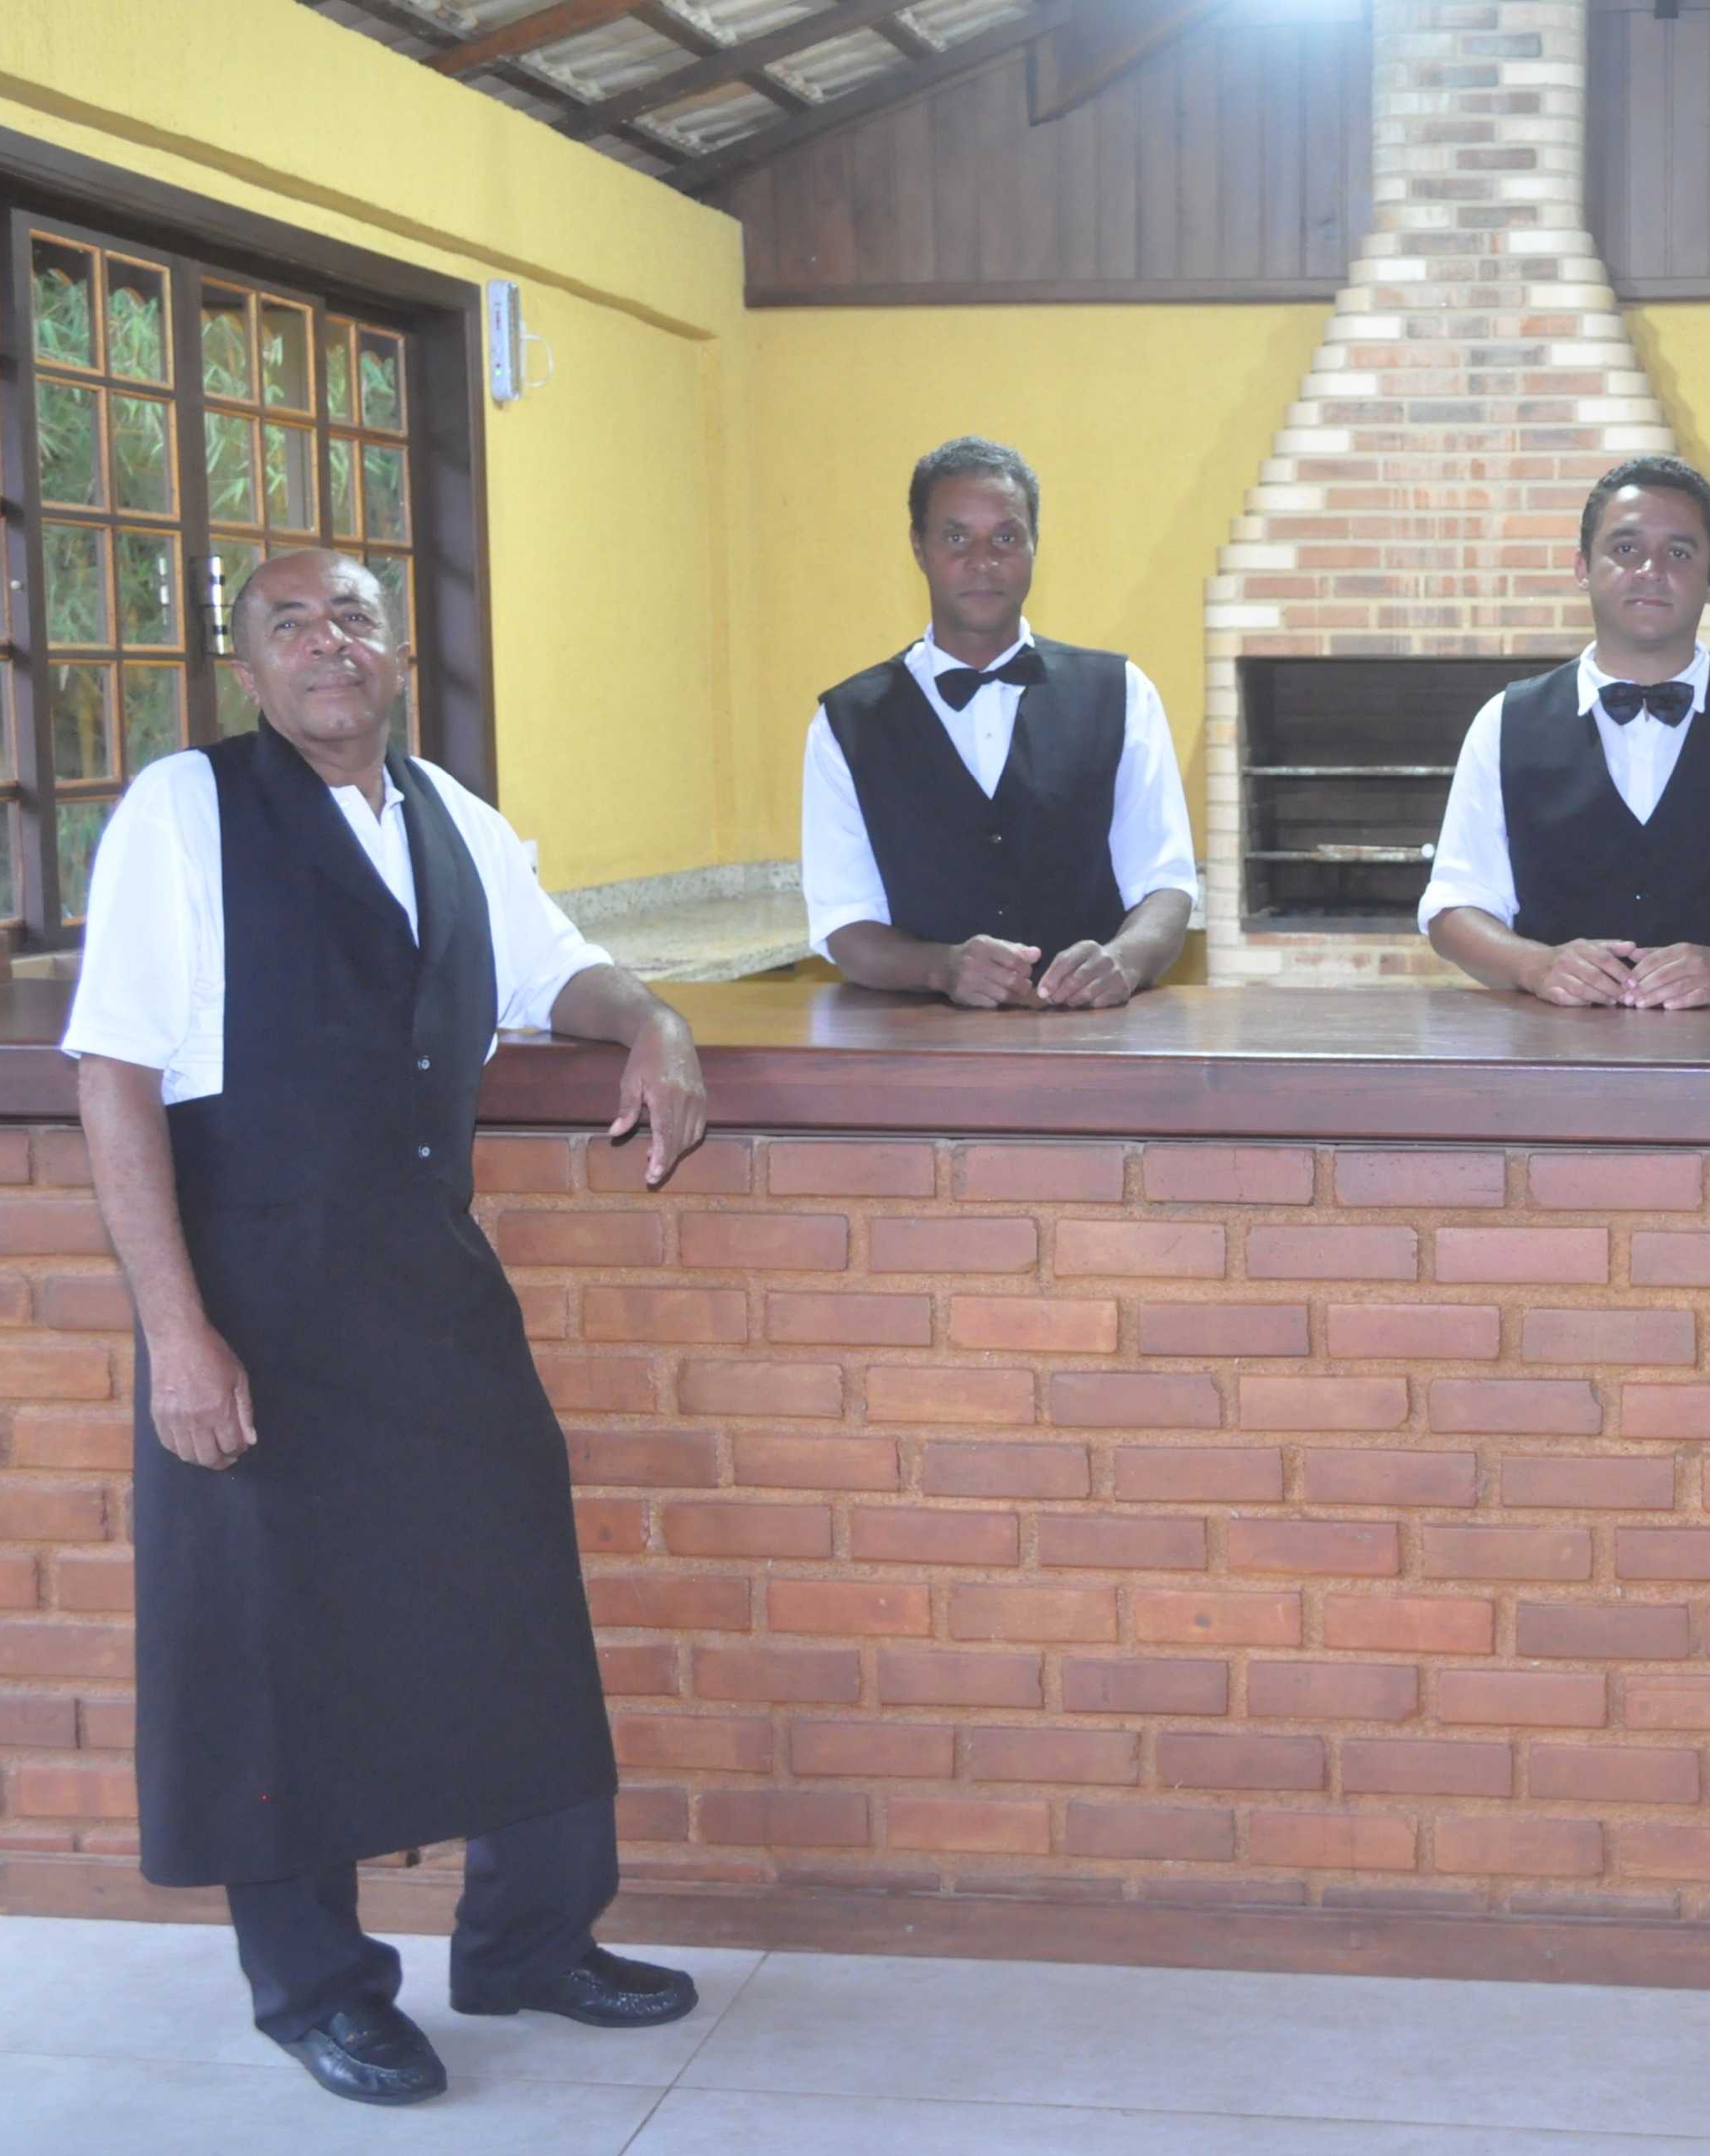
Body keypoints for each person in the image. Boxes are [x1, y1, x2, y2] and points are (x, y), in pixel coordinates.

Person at [65, 549, 709, 2108]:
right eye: (287, 624)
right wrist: (176, 1330)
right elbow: (114, 1072)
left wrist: (656, 1020)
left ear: (395, 649)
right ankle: (316, 1991)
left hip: (429, 1281)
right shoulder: (183, 811)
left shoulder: (448, 815)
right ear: (247, 668)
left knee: (513, 1599)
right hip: (255, 1291)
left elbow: (557, 970)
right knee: (272, 1652)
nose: (325, 644)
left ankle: (530, 1942)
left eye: (351, 616)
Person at [1420, 455, 1710, 1007]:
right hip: (1547, 1046)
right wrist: (1533, 964)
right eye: (1626, 549)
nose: (1651, 570)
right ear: (1583, 566)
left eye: (1678, 553)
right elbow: (1453, 904)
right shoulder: (1504, 721)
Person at [802, 435, 1198, 1008]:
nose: (982, 560)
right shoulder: (847, 722)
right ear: (918, 548)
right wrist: (940, 967)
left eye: (1006, 538)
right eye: (956, 537)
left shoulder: (1122, 692)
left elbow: (1166, 883)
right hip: (918, 1045)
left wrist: (1125, 960)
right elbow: (845, 925)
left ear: (1036, 545)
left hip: (1095, 1037)